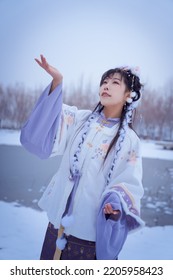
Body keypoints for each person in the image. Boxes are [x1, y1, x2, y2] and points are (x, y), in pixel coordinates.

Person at [20, 55, 145, 260]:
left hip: (88, 236)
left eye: (115, 83)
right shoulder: (80, 119)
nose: (106, 86)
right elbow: (46, 124)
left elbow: (128, 181)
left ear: (128, 95)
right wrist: (57, 82)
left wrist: (114, 207)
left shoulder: (130, 140)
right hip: (56, 226)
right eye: (104, 81)